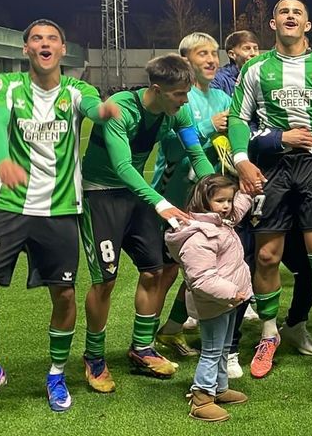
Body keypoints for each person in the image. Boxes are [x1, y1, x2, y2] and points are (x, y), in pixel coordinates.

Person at [0, 19, 119, 422]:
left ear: (62, 49)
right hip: (10, 205)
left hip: (60, 209)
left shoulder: (77, 90)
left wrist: (102, 111)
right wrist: (2, 159)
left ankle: (56, 374)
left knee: (64, 296)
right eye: (37, 38)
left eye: (52, 39)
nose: (44, 44)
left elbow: (92, 108)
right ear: (26, 49)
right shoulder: (7, 86)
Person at [229, 0, 312, 380]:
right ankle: (269, 333)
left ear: (307, 25)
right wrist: (242, 159)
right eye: (283, 12)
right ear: (273, 23)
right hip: (272, 169)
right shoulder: (255, 68)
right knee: (267, 257)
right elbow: (239, 117)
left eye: (297, 12)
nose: (289, 16)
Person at [80, 54, 214, 392]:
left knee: (154, 271)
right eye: (179, 94)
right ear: (156, 89)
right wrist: (161, 203)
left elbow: (196, 153)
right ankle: (93, 357)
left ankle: (142, 348)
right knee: (105, 281)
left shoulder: (177, 111)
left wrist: (215, 192)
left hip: (135, 195)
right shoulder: (121, 109)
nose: (185, 101)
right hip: (100, 195)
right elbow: (123, 166)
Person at [152, 32, 231, 359]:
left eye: (214, 53)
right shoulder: (179, 96)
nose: (212, 60)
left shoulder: (223, 98)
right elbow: (171, 147)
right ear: (186, 61)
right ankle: (144, 339)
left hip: (205, 198)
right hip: (173, 195)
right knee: (164, 271)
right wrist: (210, 126)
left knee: (202, 266)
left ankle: (171, 328)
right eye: (203, 54)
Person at [165, 175, 252, 422]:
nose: (227, 206)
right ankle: (201, 398)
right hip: (215, 302)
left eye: (229, 200)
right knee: (212, 350)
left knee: (223, 347)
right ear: (204, 201)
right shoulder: (199, 236)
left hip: (227, 301)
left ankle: (219, 387)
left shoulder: (220, 223)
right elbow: (201, 279)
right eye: (220, 201)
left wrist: (248, 189)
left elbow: (240, 207)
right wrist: (231, 292)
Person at [211, 30, 261, 96]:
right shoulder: (217, 79)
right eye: (247, 49)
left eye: (255, 49)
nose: (253, 53)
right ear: (232, 54)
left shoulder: (264, 77)